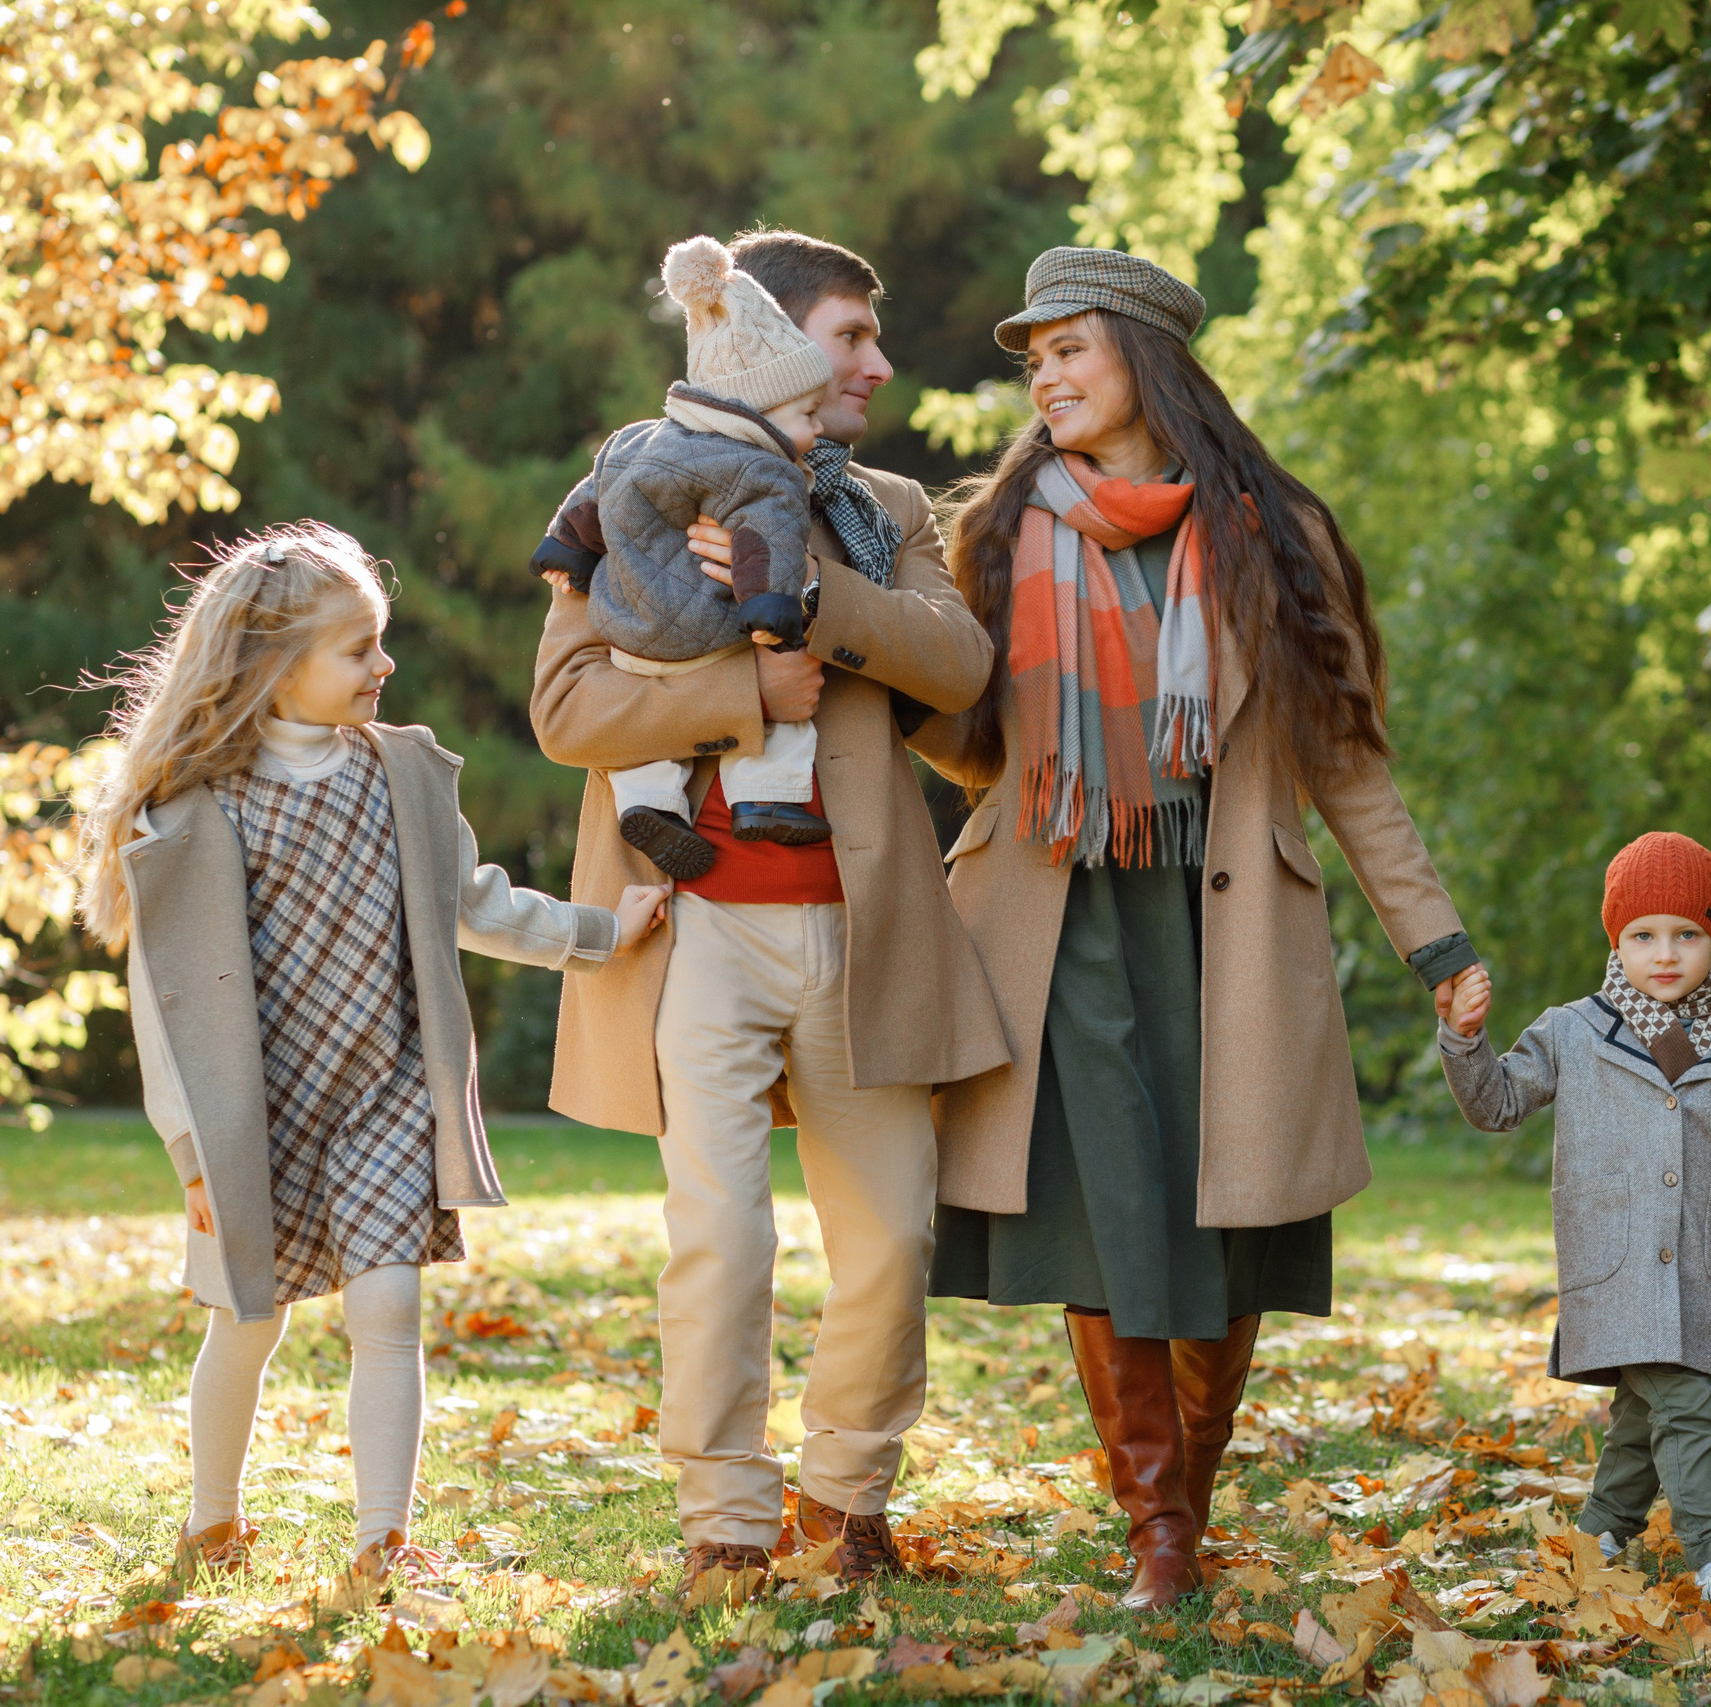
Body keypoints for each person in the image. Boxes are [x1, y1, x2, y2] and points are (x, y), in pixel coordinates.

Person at [913, 247, 1483, 1612]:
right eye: (1032, 355)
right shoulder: (1000, 531)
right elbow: (975, 739)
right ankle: (1159, 1529)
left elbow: (1346, 759)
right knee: (1109, 1215)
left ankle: (1196, 1483)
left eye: (1070, 349)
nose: (1043, 375)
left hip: (1227, 926)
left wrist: (1441, 946)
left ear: (1147, 358)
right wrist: (869, 677)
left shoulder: (1272, 536)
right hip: (1057, 919)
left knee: (1223, 1225)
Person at [529, 230, 1009, 1594]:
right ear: (777, 341)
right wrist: (745, 695)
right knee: (722, 1234)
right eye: (853, 336)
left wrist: (795, 579)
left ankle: (845, 1493)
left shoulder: (888, 509)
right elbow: (567, 709)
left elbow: (960, 662)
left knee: (891, 1240)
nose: (879, 361)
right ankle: (724, 1515)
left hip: (867, 929)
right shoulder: (625, 488)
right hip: (697, 929)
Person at [72, 523, 669, 1582]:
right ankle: (214, 1520)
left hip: (385, 1090)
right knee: (246, 1323)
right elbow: (162, 1002)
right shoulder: (198, 806)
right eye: (357, 649)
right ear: (273, 666)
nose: (383, 666)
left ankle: (382, 1540)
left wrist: (597, 932)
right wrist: (191, 1151)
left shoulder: (398, 772)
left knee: (389, 1304)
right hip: (255, 1107)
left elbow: (471, 904)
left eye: (379, 643)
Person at [1435, 830, 1711, 1613]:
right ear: (1616, 938)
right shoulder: (1573, 1031)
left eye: (1687, 933)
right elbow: (1497, 1103)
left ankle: (1599, 1535)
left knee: (1644, 1413)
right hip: (1613, 1268)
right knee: (1683, 1405)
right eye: (1642, 934)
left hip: (1710, 1273)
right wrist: (1465, 1039)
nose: (1664, 953)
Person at [533, 235, 839, 878]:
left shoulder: (637, 440)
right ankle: (767, 797)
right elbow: (765, 544)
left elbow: (591, 502)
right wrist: (770, 612)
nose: (816, 430)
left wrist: (566, 555)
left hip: (629, 627)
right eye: (808, 413)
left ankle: (649, 804)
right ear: (762, 407)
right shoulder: (769, 471)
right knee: (780, 691)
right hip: (710, 627)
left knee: (644, 744)